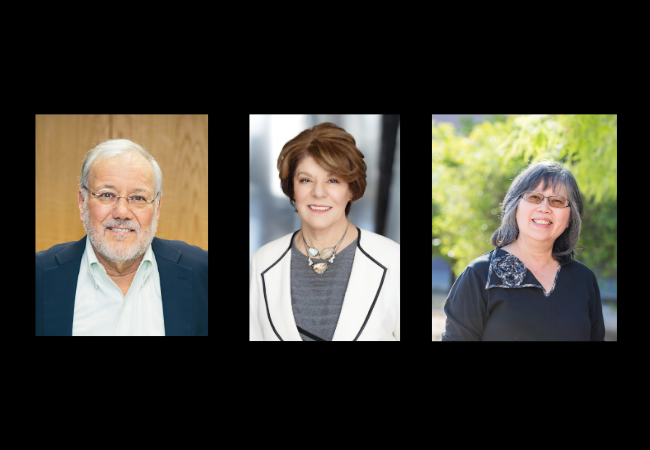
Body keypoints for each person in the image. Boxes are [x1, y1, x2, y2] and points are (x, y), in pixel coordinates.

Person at [35, 139, 208, 336]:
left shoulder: (202, 273)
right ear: (82, 203)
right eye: (107, 195)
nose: (122, 212)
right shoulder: (39, 276)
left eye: (138, 198)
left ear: (157, 208)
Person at [250, 122, 400, 341]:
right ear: (292, 188)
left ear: (351, 189)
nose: (318, 192)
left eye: (333, 180)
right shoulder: (263, 261)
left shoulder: (393, 259)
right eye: (306, 180)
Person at [442, 160, 605, 341]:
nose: (544, 208)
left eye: (557, 201)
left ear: (570, 219)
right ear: (515, 206)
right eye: (534, 197)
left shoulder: (583, 279)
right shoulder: (480, 275)